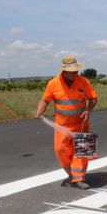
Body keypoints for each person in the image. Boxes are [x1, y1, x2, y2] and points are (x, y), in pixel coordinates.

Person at [36, 56, 98, 189]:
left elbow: (93, 98)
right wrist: (40, 112)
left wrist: (88, 110)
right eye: (72, 72)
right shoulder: (53, 83)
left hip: (81, 123)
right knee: (60, 150)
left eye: (76, 71)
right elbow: (45, 100)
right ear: (64, 71)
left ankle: (79, 178)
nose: (75, 74)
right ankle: (71, 174)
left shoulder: (83, 81)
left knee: (81, 152)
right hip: (62, 125)